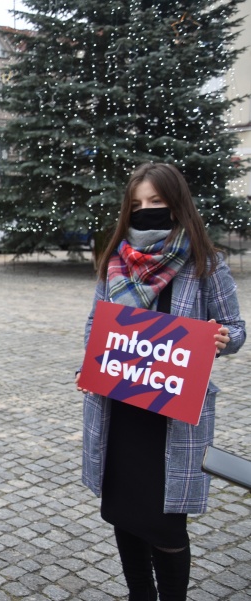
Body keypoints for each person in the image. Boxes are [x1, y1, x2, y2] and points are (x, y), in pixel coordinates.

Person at [76, 162, 245, 601]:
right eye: (137, 205)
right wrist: (88, 366)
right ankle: (139, 595)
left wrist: (223, 338)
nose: (146, 211)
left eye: (156, 202)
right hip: (121, 411)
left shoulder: (205, 263)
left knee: (167, 525)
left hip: (172, 418)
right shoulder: (114, 263)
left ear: (176, 204)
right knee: (124, 514)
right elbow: (98, 327)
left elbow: (236, 330)